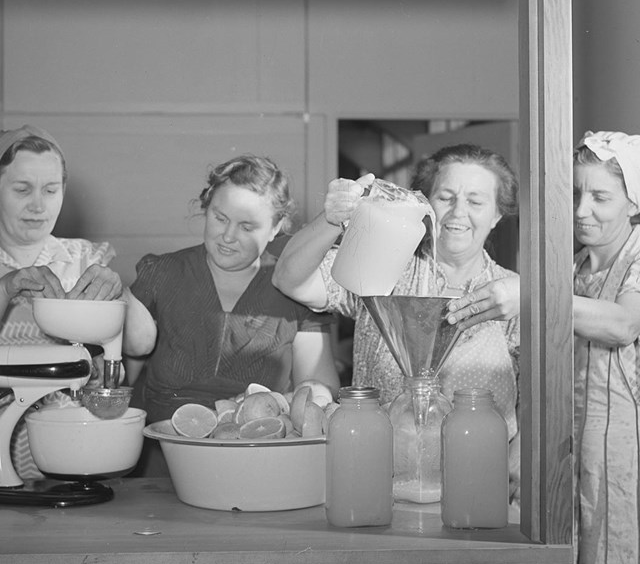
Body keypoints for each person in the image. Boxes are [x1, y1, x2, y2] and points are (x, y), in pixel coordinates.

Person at [273, 143, 521, 498]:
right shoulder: (382, 264)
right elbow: (290, 279)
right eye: (446, 196)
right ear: (425, 204)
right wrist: (330, 219)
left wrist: (519, 454)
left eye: (476, 201)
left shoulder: (511, 294)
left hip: (482, 481)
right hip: (381, 478)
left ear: (498, 214)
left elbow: (539, 390)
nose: (457, 212)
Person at [122, 154, 339, 430]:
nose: (227, 236)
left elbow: (317, 389)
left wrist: (310, 394)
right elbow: (120, 383)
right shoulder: (161, 273)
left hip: (257, 448)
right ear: (206, 207)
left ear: (275, 228)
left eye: (247, 227)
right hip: (161, 450)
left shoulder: (297, 289)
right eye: (220, 218)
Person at [0, 125, 123, 480]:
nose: (38, 205)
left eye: (50, 190)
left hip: (67, 448)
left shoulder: (84, 259)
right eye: (22, 189)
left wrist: (121, 297)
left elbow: (139, 345)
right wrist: (7, 287)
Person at [569, 131, 640, 564]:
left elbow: (622, 324)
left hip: (624, 453)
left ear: (634, 202)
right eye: (575, 192)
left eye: (599, 197)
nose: (580, 210)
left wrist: (534, 296)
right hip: (572, 446)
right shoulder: (573, 267)